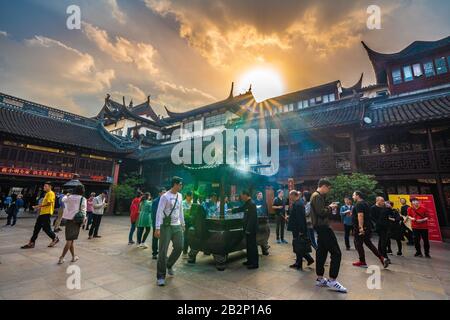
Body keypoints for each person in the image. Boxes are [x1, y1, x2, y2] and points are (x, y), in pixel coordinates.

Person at [310, 178, 347, 293]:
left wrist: (329, 207)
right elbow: (321, 213)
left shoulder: (316, 196)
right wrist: (331, 207)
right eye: (328, 188)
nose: (328, 191)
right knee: (336, 253)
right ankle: (332, 280)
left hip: (320, 228)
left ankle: (320, 278)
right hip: (323, 228)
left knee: (322, 252)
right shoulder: (317, 196)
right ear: (324, 186)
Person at [155, 177, 185, 286]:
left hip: (177, 226)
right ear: (175, 184)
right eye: (180, 184)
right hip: (166, 226)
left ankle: (169, 264)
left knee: (179, 247)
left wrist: (183, 223)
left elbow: (181, 210)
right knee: (163, 251)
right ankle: (160, 276)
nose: (181, 186)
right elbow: (159, 212)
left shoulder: (180, 196)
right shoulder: (165, 196)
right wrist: (157, 228)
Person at [352, 191, 389, 269]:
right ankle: (382, 258)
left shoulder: (359, 204)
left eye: (353, 195)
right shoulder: (365, 203)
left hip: (361, 228)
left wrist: (360, 227)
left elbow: (360, 215)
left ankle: (362, 262)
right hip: (367, 226)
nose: (352, 197)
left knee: (359, 244)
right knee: (369, 243)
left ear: (358, 196)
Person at [21, 182, 59, 249]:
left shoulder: (50, 193)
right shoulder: (47, 193)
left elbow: (49, 203)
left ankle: (55, 238)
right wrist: (40, 207)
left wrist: (38, 206)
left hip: (46, 213)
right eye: (44, 186)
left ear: (50, 187)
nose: (44, 187)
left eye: (45, 186)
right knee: (37, 228)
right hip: (43, 213)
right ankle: (32, 243)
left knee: (46, 229)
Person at [57, 185, 86, 264]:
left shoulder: (69, 197)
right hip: (76, 221)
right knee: (69, 240)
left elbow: (63, 200)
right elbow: (83, 210)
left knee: (71, 240)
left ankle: (73, 256)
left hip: (68, 220)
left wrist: (67, 195)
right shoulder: (82, 199)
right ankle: (61, 257)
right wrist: (84, 220)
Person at [231, 190, 259, 269]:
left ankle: (255, 264)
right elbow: (241, 208)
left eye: (242, 196)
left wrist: (248, 229)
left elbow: (252, 219)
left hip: (251, 229)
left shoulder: (252, 204)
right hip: (247, 228)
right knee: (249, 246)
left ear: (245, 195)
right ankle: (249, 261)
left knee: (252, 246)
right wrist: (232, 210)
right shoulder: (247, 203)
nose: (241, 197)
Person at [287, 190, 314, 270]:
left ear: (293, 195)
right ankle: (300, 262)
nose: (289, 197)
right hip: (297, 228)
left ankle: (301, 263)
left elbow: (301, 219)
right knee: (297, 245)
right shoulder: (298, 203)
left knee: (299, 245)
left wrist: (301, 231)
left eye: (290, 196)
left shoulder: (298, 204)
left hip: (298, 229)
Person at [372, 196, 390, 262]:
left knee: (382, 240)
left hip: (386, 226)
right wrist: (377, 223)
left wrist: (389, 208)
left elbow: (389, 214)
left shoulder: (384, 207)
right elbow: (372, 218)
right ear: (377, 201)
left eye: (383, 200)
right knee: (384, 241)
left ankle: (380, 253)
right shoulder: (373, 208)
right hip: (380, 227)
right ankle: (385, 256)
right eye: (382, 200)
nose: (383, 202)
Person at [151, 188, 166, 259]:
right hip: (157, 223)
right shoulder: (155, 201)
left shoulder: (166, 201)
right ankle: (154, 253)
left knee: (164, 239)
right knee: (155, 238)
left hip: (164, 223)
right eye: (163, 192)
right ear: (159, 193)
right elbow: (154, 214)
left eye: (165, 192)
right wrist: (155, 224)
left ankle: (162, 253)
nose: (165, 194)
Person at [255, 191, 270, 256]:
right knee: (258, 234)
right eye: (260, 194)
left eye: (261, 194)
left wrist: (267, 217)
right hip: (257, 219)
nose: (261, 195)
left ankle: (265, 250)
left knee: (265, 233)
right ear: (257, 195)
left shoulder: (264, 202)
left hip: (264, 219)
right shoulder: (254, 202)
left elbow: (266, 210)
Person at [182, 191, 193, 257]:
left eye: (192, 196)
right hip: (185, 221)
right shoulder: (183, 203)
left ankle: (191, 251)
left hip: (192, 221)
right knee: (186, 237)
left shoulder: (192, 203)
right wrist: (190, 210)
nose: (191, 197)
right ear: (187, 196)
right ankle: (184, 252)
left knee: (191, 237)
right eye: (190, 196)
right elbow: (184, 211)